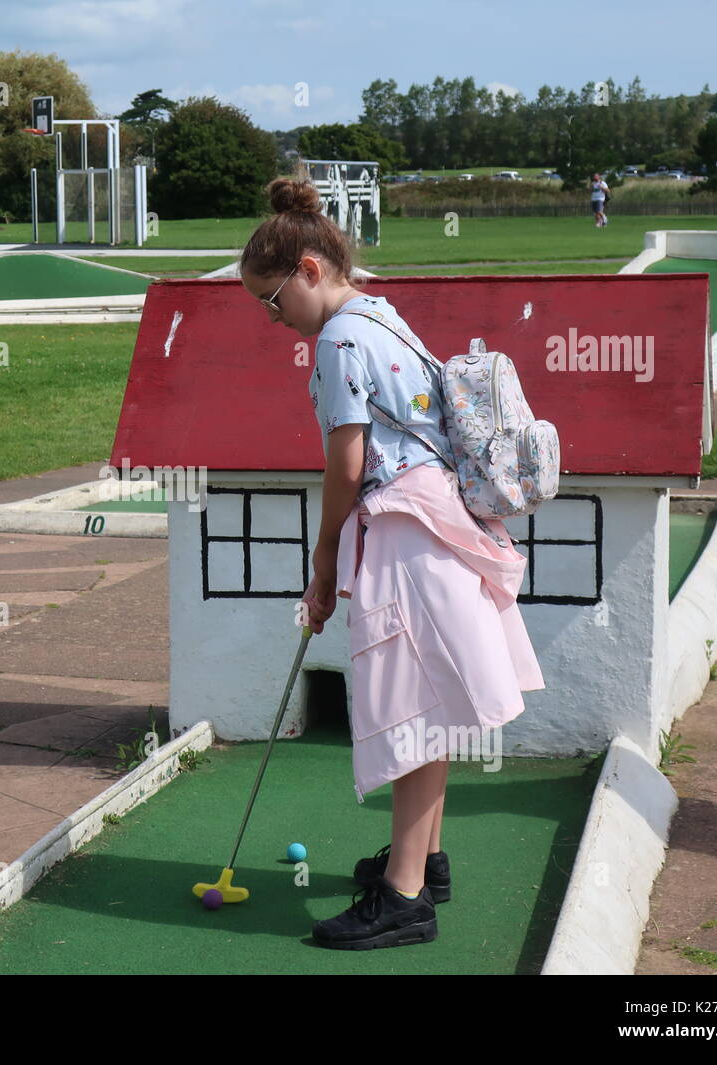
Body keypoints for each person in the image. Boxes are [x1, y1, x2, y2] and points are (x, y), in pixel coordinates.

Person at [239, 177, 546, 951]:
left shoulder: (339, 339)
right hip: (440, 517)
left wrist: (321, 568)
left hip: (404, 530)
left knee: (412, 709)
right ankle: (424, 861)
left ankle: (405, 897)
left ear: (309, 270)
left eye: (272, 300)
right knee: (433, 701)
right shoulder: (387, 316)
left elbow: (346, 465)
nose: (272, 319)